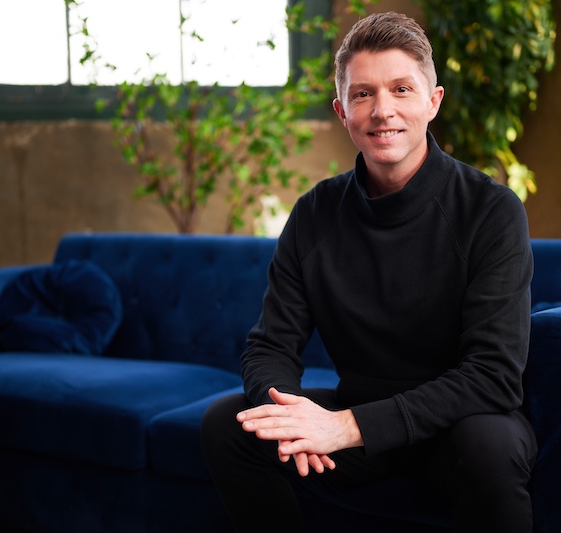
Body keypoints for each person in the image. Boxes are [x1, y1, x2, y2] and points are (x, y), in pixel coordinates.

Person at [200, 11, 536, 533]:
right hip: (358, 417)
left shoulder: (491, 211)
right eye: (362, 95)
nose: (383, 111)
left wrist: (346, 427)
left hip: (459, 424)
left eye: (402, 89)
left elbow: (492, 377)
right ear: (342, 111)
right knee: (228, 425)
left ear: (433, 101)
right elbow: (269, 346)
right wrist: (292, 419)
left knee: (488, 443)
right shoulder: (315, 212)